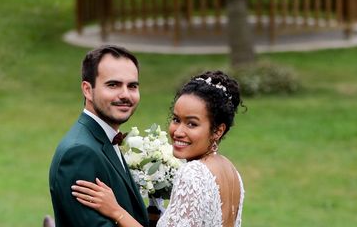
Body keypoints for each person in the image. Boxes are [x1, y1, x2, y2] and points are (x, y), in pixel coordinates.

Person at [72, 70, 245, 227]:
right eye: (176, 120)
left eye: (192, 124)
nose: (178, 132)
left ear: (218, 130)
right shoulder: (231, 172)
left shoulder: (193, 173)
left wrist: (115, 210)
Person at [49, 45, 149, 227]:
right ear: (87, 90)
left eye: (132, 86)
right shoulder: (79, 153)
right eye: (113, 85)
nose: (125, 94)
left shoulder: (103, 138)